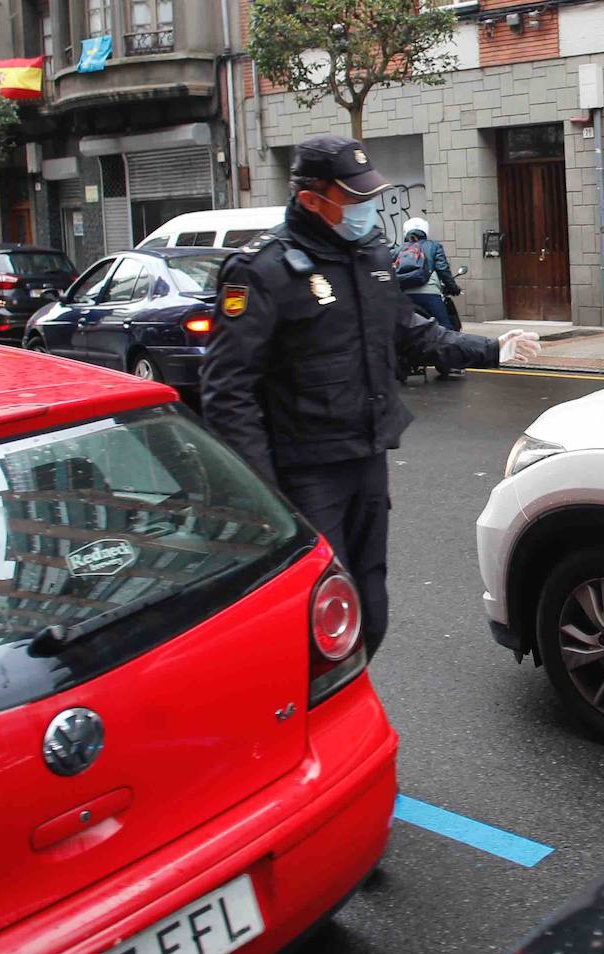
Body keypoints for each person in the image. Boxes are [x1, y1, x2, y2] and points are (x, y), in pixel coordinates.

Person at [200, 134, 540, 660]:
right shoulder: (261, 270)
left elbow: (412, 332)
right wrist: (265, 492)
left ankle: (344, 705)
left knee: (371, 610)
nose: (365, 208)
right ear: (312, 198)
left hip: (366, 459)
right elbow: (228, 392)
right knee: (314, 616)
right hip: (304, 474)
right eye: (353, 198)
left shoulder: (368, 254)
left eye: (368, 197)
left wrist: (491, 347)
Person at [395, 217, 460, 330]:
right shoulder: (434, 246)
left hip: (404, 296)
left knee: (402, 330)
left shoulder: (398, 250)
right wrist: (453, 288)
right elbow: (443, 270)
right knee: (445, 330)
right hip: (429, 294)